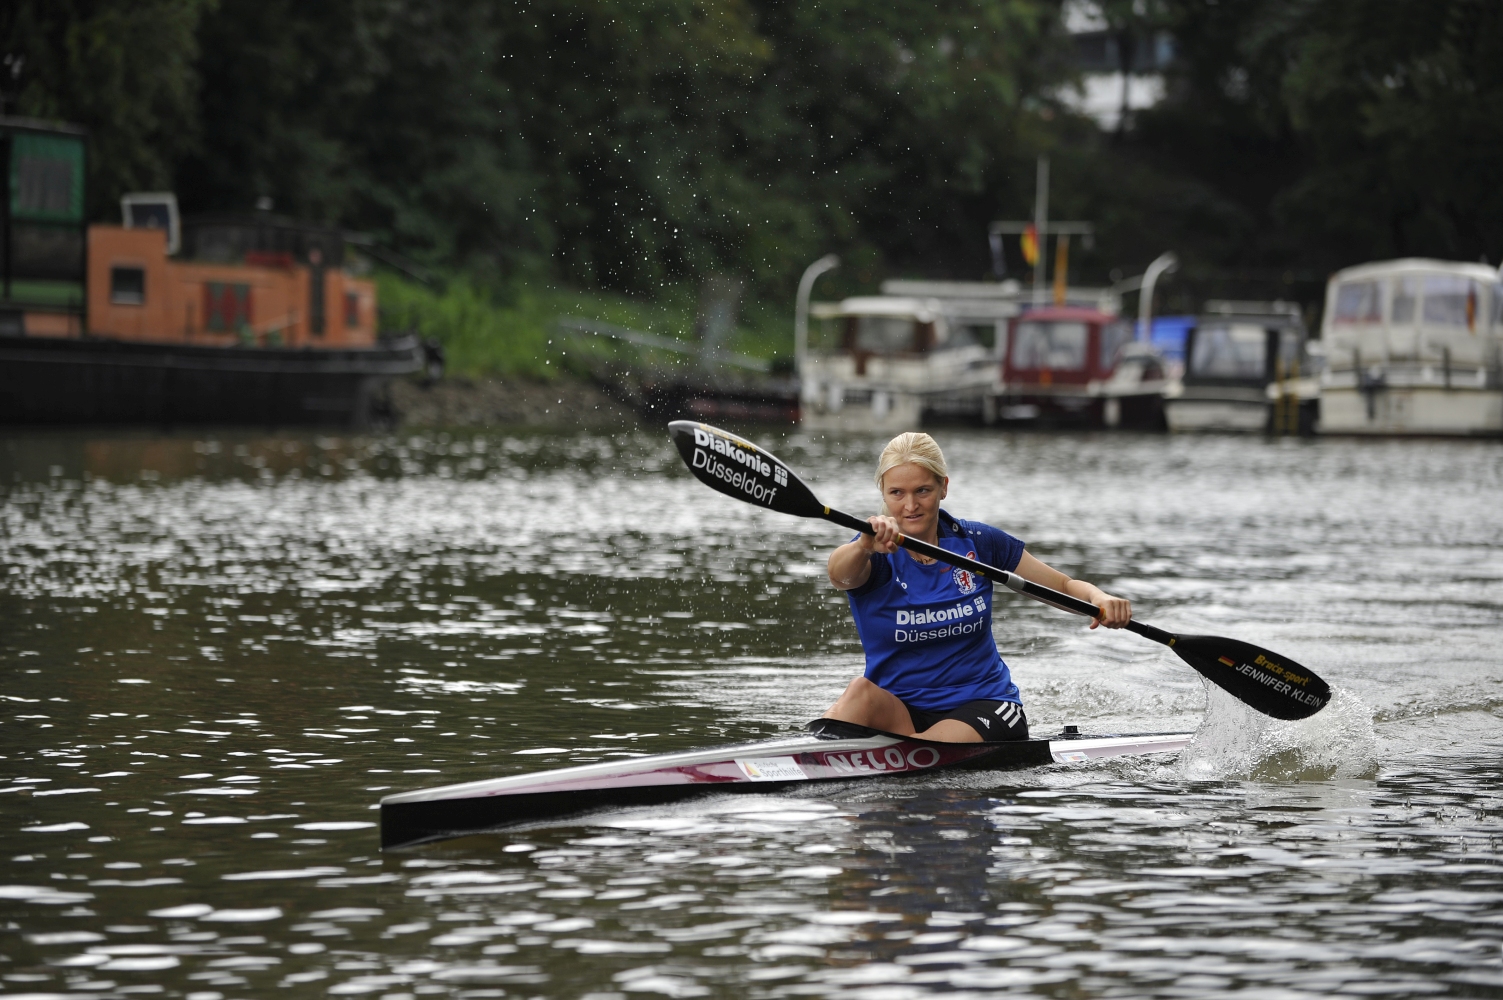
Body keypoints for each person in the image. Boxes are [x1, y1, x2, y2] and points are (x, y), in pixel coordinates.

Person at [825, 432, 1131, 742]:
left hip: (984, 706)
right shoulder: (872, 551)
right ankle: (811, 757)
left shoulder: (978, 543)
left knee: (933, 757)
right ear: (884, 493)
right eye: (897, 493)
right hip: (902, 709)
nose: (910, 505)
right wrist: (864, 545)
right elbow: (840, 576)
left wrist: (1098, 598)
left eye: (922, 490)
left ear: (943, 487)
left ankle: (914, 752)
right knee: (859, 691)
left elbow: (1061, 585)